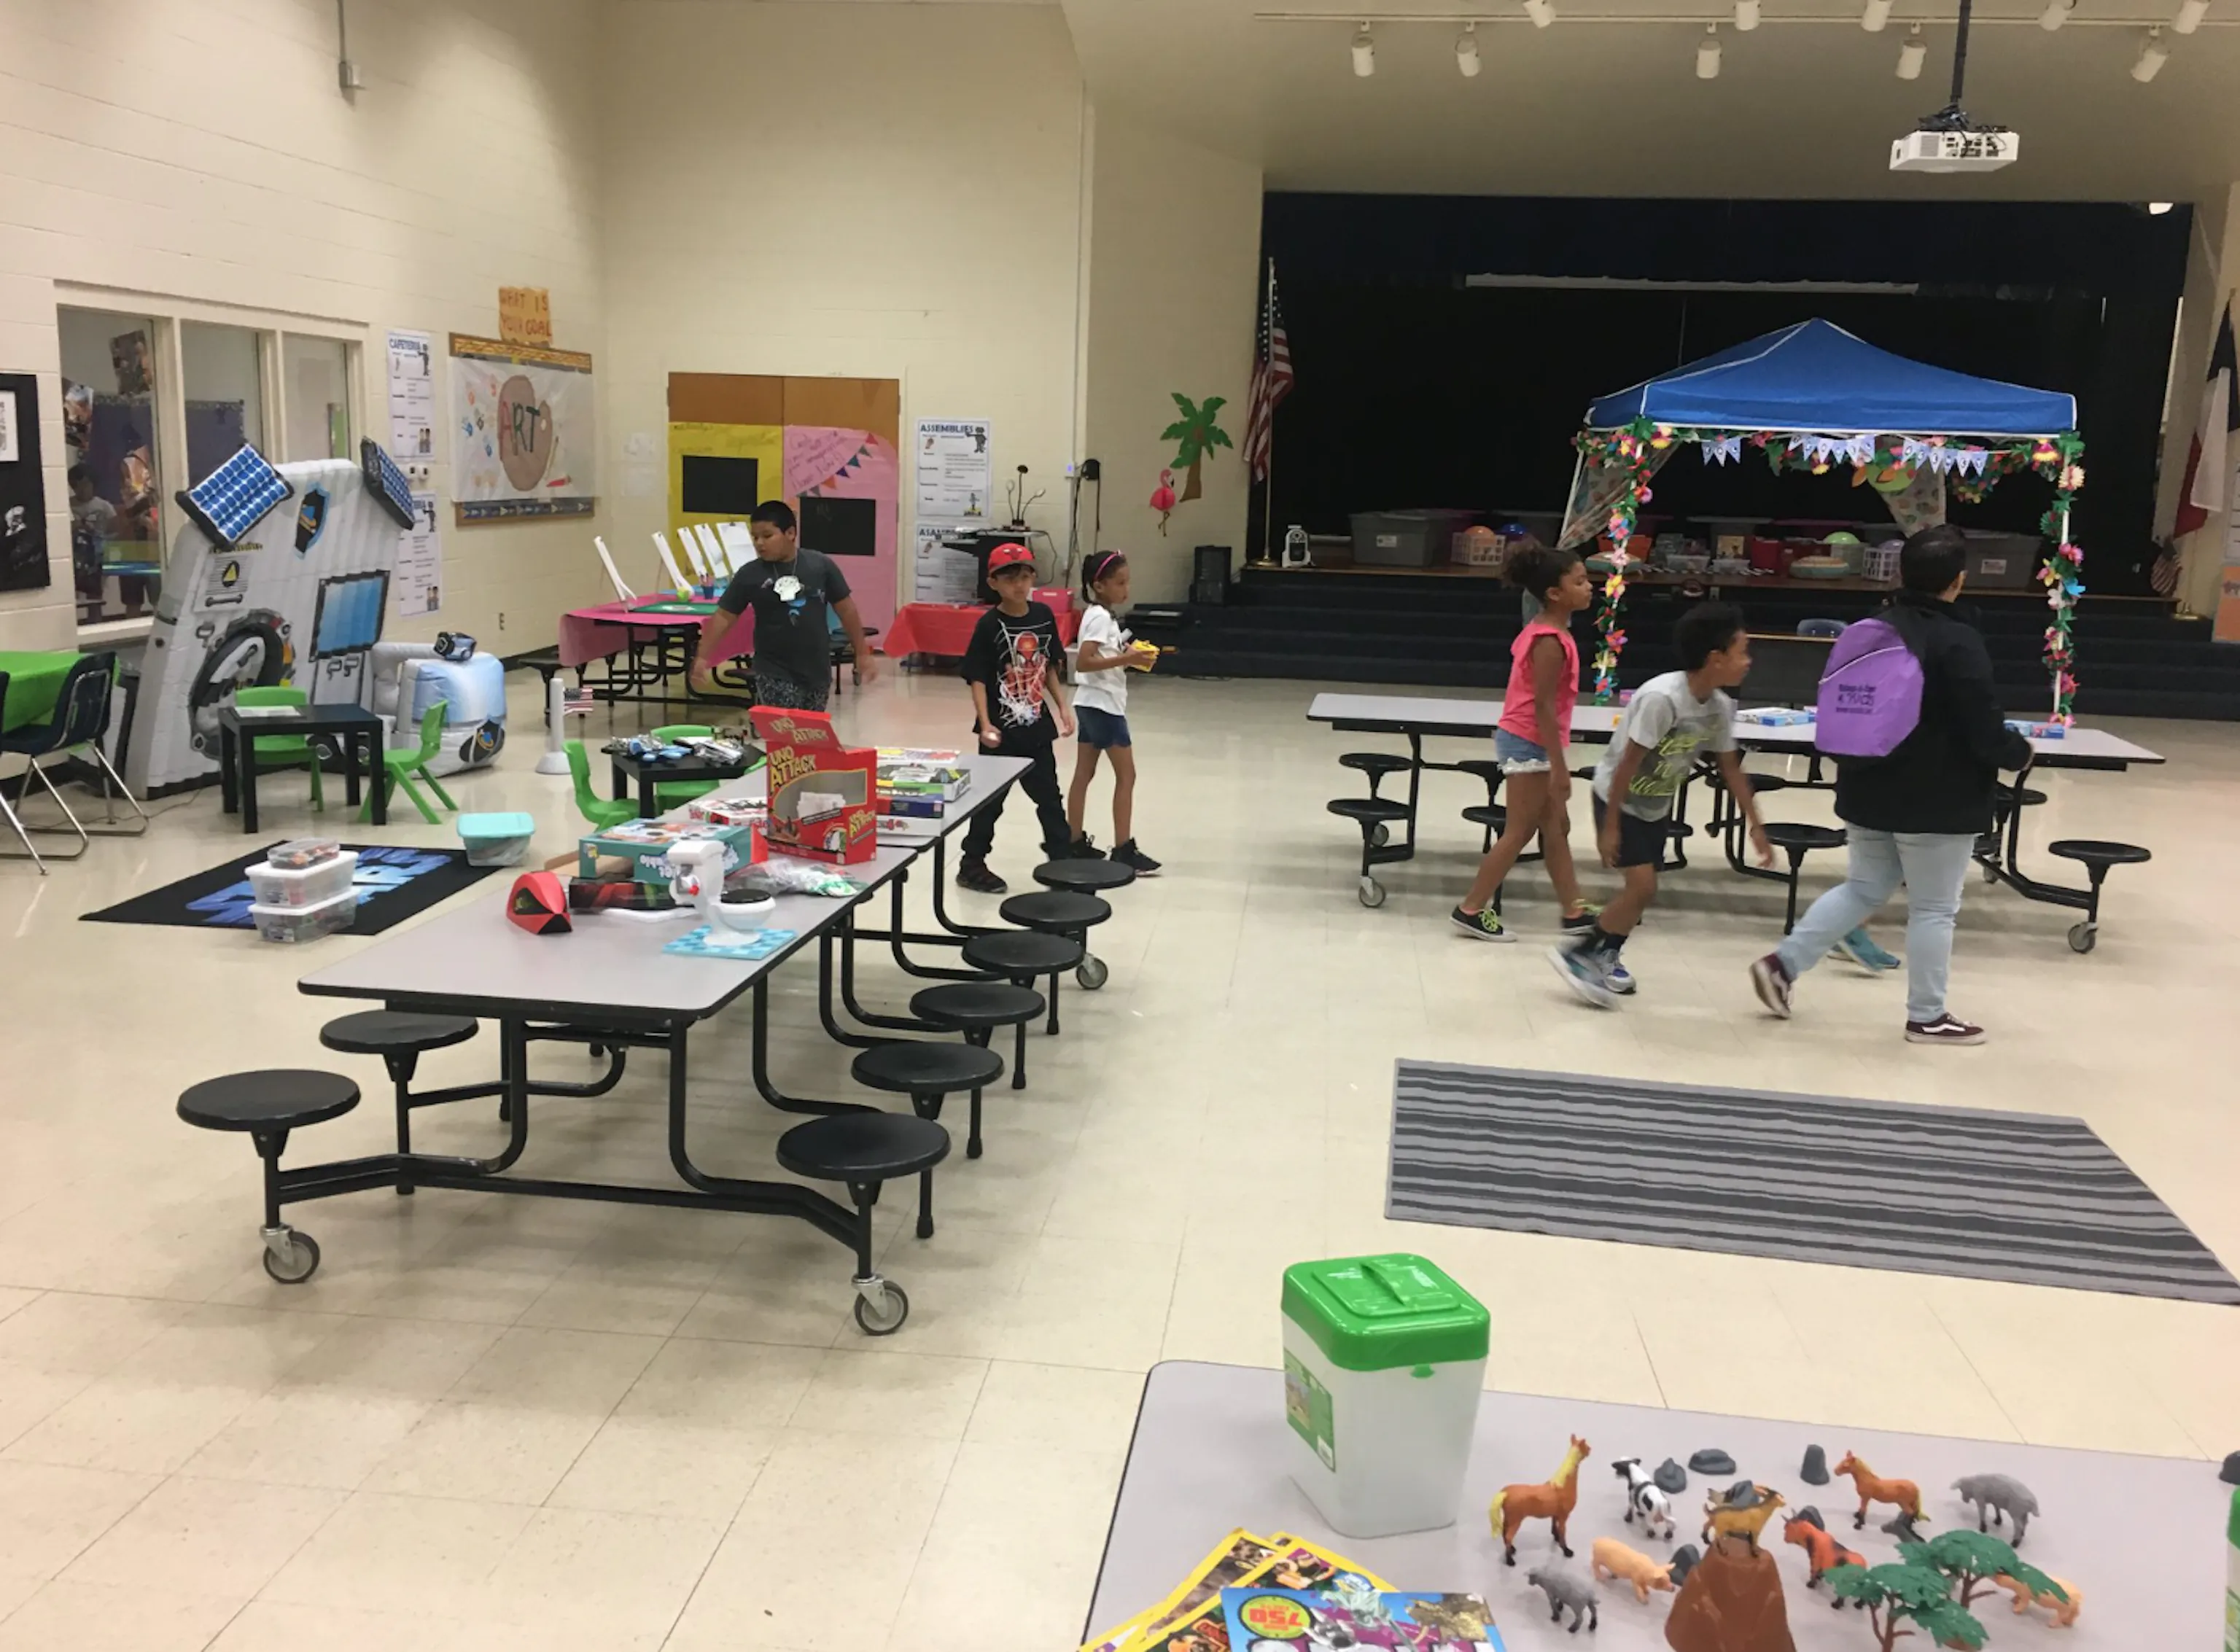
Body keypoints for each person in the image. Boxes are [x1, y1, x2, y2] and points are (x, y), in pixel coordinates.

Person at [1749, 523, 2031, 1045]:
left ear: (1901, 573)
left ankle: (1783, 964)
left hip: (1866, 784)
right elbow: (1983, 723)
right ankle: (1928, 1016)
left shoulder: (1873, 628)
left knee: (1864, 887)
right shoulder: (1958, 640)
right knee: (1934, 907)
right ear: (1958, 581)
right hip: (1938, 797)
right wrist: (2018, 752)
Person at [1553, 602, 1773, 1005]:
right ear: (1716, 658)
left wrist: (1755, 825)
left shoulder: (1719, 707)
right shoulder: (1662, 699)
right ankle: (1579, 953)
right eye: (1742, 651)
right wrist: (1610, 826)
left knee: (1642, 893)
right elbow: (1626, 764)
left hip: (1655, 804)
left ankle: (1606, 954)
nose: (1749, 661)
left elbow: (1731, 768)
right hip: (1618, 798)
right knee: (1643, 886)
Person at [1452, 545, 1596, 941]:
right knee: (1520, 831)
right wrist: (1560, 768)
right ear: (1554, 593)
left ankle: (1574, 911)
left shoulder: (1548, 631)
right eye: (1580, 581)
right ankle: (1470, 909)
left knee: (1556, 826)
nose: (1589, 587)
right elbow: (1543, 707)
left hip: (1532, 740)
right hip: (1528, 742)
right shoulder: (1548, 640)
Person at [956, 542, 1077, 893]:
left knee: (1050, 799)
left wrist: (1062, 706)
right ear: (993, 583)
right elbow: (978, 677)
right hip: (1001, 734)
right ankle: (972, 864)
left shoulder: (1043, 616)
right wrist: (985, 723)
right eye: (1009, 579)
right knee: (990, 804)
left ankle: (1061, 861)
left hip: (1037, 729)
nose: (1019, 585)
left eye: (1024, 577)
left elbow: (1048, 666)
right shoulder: (988, 625)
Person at [690, 499, 876, 710]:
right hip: (773, 671)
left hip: (817, 671)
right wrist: (702, 657)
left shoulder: (820, 566)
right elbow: (724, 617)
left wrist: (862, 652)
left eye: (767, 536)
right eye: (755, 537)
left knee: (809, 727)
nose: (759, 543)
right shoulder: (750, 574)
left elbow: (847, 610)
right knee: (785, 726)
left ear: (790, 533)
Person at [1064, 550, 1161, 874]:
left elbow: (1106, 653)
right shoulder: (1099, 618)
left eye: (1127, 582)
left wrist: (1131, 654)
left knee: (1084, 774)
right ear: (1099, 585)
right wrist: (1127, 659)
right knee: (1127, 775)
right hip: (1103, 706)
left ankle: (1074, 841)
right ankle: (1123, 848)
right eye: (1120, 583)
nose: (1126, 589)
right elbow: (1084, 661)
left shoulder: (1102, 615)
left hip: (1090, 702)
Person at [68, 464, 117, 540]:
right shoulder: (67, 506)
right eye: (76, 485)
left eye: (85, 484)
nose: (82, 489)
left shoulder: (105, 507)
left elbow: (115, 535)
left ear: (93, 483)